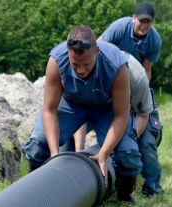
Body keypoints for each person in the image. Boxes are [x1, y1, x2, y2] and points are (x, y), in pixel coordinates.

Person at [23, 25, 142, 203]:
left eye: (86, 64)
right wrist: (54, 155)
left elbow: (121, 117)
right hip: (71, 105)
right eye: (75, 64)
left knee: (127, 154)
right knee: (37, 144)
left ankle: (124, 194)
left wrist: (103, 153)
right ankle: (34, 191)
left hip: (105, 109)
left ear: (97, 52)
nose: (80, 70)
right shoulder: (57, 60)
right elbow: (49, 110)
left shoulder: (116, 65)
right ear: (68, 53)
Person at [98, 1, 164, 197]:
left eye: (148, 22)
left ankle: (152, 186)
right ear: (133, 18)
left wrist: (138, 100)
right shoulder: (119, 28)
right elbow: (98, 48)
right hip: (112, 86)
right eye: (141, 20)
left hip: (138, 87)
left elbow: (147, 71)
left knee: (147, 142)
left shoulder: (154, 40)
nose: (144, 25)